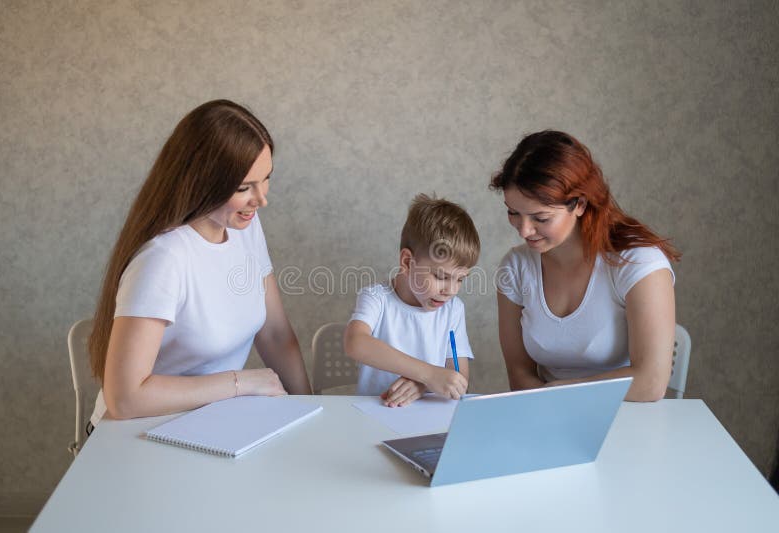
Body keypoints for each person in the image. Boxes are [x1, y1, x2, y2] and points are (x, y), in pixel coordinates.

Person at [87, 99, 311, 423]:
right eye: (244, 187)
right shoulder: (164, 260)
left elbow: (276, 334)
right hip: (133, 436)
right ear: (204, 183)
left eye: (266, 178)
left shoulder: (243, 228)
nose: (262, 199)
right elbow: (125, 399)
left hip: (204, 423)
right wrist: (240, 382)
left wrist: (307, 409)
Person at [491, 130, 680, 402]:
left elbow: (651, 382)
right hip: (550, 414)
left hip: (629, 414)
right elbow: (519, 374)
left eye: (540, 218)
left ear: (579, 204)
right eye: (513, 212)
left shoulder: (637, 262)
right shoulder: (515, 267)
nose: (524, 230)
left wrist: (560, 392)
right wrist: (555, 405)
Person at [343, 194, 480, 407]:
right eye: (441, 276)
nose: (451, 290)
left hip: (428, 414)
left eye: (460, 279)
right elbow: (355, 343)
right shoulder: (377, 298)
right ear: (407, 262)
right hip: (374, 412)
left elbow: (458, 377)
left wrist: (423, 384)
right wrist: (427, 374)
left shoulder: (453, 309)